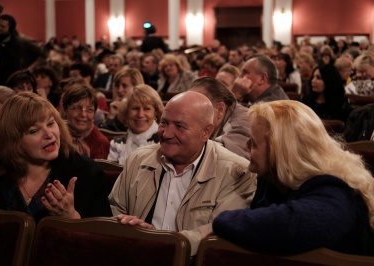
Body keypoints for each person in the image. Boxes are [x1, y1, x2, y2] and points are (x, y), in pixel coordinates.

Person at [213, 100, 374, 256]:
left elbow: (286, 226)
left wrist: (221, 220)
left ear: (282, 152)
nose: (245, 146)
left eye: (254, 143)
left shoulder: (335, 193)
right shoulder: (272, 182)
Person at [109, 91, 256, 255]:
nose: (167, 134)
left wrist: (159, 243)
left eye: (179, 126)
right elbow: (115, 209)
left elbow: (219, 232)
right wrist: (126, 226)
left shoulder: (237, 171)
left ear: (206, 132)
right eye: (164, 123)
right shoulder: (137, 159)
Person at [0, 92, 112, 222]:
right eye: (34, 131)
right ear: (13, 141)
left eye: (51, 123)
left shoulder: (88, 173)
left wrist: (71, 217)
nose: (49, 134)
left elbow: (104, 238)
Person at [189, 77, 250, 159]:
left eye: (198, 107)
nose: (190, 115)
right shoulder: (226, 115)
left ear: (220, 109)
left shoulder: (242, 122)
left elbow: (221, 159)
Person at [108, 84, 164, 165]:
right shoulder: (116, 144)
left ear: (156, 112)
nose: (140, 115)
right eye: (135, 108)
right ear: (126, 112)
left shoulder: (165, 143)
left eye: (147, 109)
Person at [61, 83, 110, 159]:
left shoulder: (101, 142)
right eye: (77, 108)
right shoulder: (56, 135)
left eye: (89, 110)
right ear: (65, 109)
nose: (83, 114)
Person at [100, 68, 144, 132]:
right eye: (118, 86)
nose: (119, 90)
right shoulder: (116, 107)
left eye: (124, 86)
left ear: (136, 87)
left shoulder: (143, 111)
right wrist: (111, 117)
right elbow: (106, 136)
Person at [0, 14, 22, 85]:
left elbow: (13, 64)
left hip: (7, 81)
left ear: (11, 29)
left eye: (2, 26)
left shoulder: (16, 44)